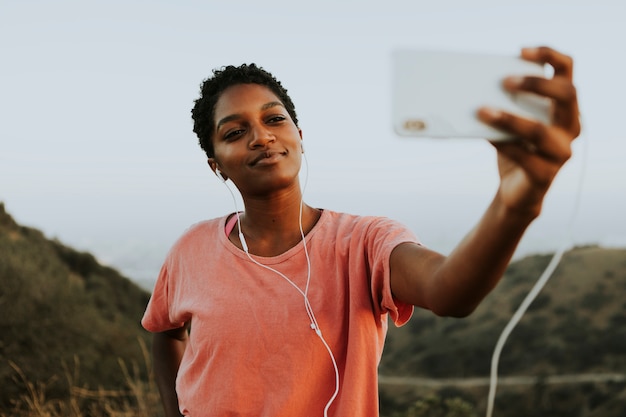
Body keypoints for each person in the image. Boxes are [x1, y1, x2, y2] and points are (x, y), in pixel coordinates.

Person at [141, 46, 580, 417]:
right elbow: (165, 332)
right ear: (216, 165)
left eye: (274, 119)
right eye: (235, 131)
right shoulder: (191, 249)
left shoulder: (364, 243)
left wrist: (514, 205)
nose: (261, 137)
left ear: (299, 135)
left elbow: (450, 291)